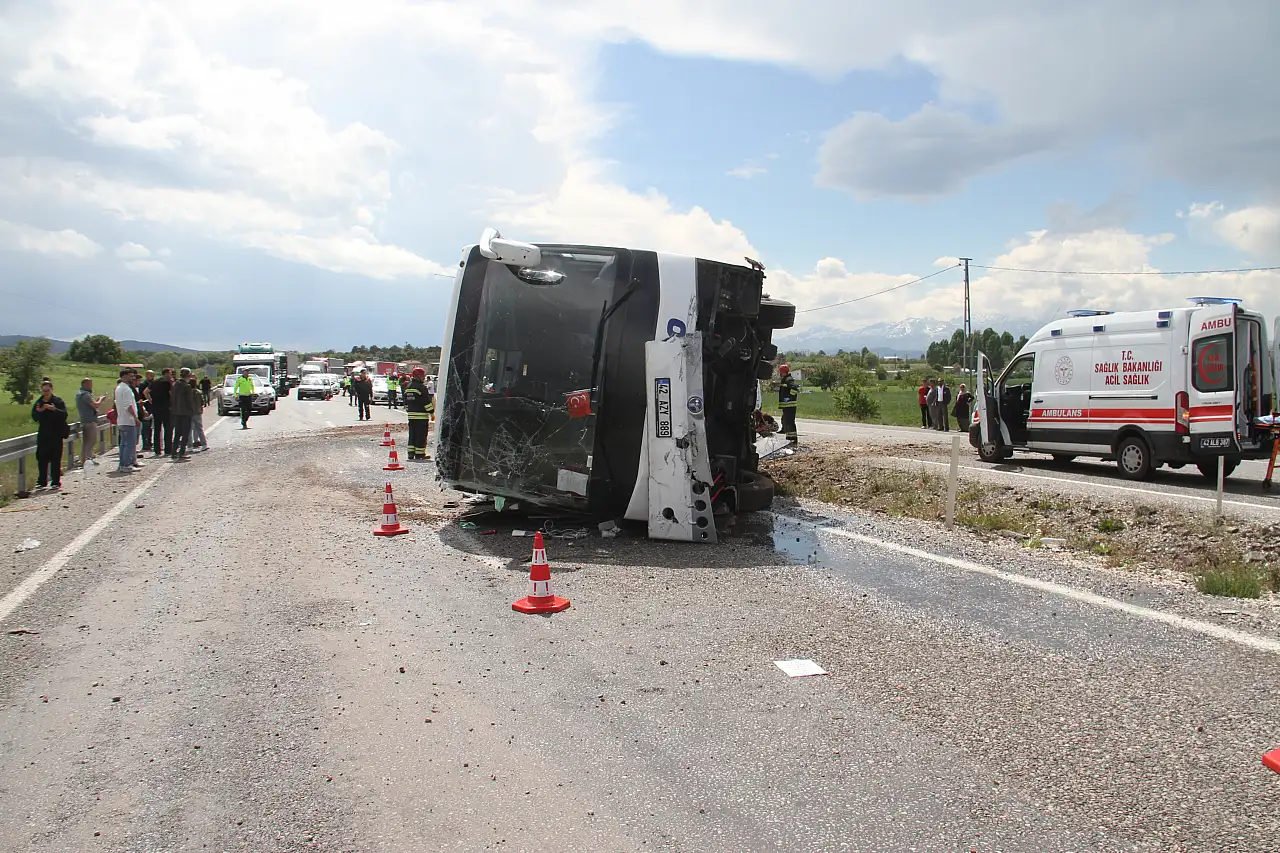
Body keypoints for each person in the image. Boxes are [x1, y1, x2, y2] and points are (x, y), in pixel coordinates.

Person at [31, 380, 69, 490]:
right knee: (42, 457)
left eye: (47, 390)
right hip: (43, 434)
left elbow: (64, 414)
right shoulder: (39, 402)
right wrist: (40, 411)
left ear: (52, 390)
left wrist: (54, 409)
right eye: (43, 391)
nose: (45, 393)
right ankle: (42, 481)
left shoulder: (57, 401)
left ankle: (55, 481)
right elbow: (34, 417)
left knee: (55, 458)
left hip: (56, 434)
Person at [114, 370, 144, 473]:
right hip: (128, 420)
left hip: (122, 420)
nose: (132, 378)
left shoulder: (119, 388)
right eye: (130, 376)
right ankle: (126, 464)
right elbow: (128, 405)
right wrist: (135, 418)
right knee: (129, 443)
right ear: (124, 376)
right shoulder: (126, 389)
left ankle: (123, 463)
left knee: (123, 443)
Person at [402, 367, 434, 460]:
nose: (424, 378)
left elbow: (406, 401)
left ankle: (411, 453)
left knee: (412, 434)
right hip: (421, 416)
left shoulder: (408, 387)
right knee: (421, 435)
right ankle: (420, 454)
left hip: (411, 416)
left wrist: (409, 410)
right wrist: (431, 412)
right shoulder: (421, 388)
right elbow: (426, 402)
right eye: (423, 376)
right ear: (418, 376)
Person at [75, 378, 106, 468]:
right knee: (91, 440)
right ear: (86, 384)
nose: (91, 385)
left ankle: (86, 458)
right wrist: (101, 399)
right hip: (89, 420)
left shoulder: (80, 393)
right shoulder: (85, 395)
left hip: (85, 419)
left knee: (87, 441)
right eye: (90, 383)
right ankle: (86, 459)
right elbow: (95, 405)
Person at [170, 367, 197, 460]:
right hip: (185, 412)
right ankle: (182, 452)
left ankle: (173, 452)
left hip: (176, 411)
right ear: (188, 375)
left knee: (177, 433)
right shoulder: (187, 386)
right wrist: (192, 411)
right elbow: (189, 401)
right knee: (185, 433)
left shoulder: (175, 384)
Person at [148, 367, 174, 457]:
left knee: (157, 430)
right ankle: (168, 450)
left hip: (156, 408)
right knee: (168, 429)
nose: (171, 376)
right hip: (166, 408)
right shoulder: (167, 383)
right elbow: (171, 394)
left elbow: (145, 392)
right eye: (170, 374)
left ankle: (157, 450)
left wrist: (151, 400)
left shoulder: (154, 382)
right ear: (166, 374)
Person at [777, 363, 800, 444]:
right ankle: (789, 438)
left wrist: (789, 397)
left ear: (782, 372)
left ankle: (793, 439)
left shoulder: (788, 379)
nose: (779, 373)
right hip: (787, 406)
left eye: (780, 372)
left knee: (790, 422)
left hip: (790, 405)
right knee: (786, 422)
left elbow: (795, 388)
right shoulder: (785, 379)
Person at [189, 375, 208, 451]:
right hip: (198, 412)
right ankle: (204, 444)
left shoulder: (187, 393)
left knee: (189, 430)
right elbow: (202, 402)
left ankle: (190, 446)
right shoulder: (199, 392)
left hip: (189, 413)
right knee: (199, 429)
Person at [138, 369, 155, 452]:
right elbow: (140, 396)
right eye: (151, 375)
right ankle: (145, 443)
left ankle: (149, 441)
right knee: (145, 426)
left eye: (153, 375)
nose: (152, 377)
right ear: (147, 375)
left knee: (150, 427)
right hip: (146, 406)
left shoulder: (153, 383)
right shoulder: (143, 385)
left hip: (152, 407)